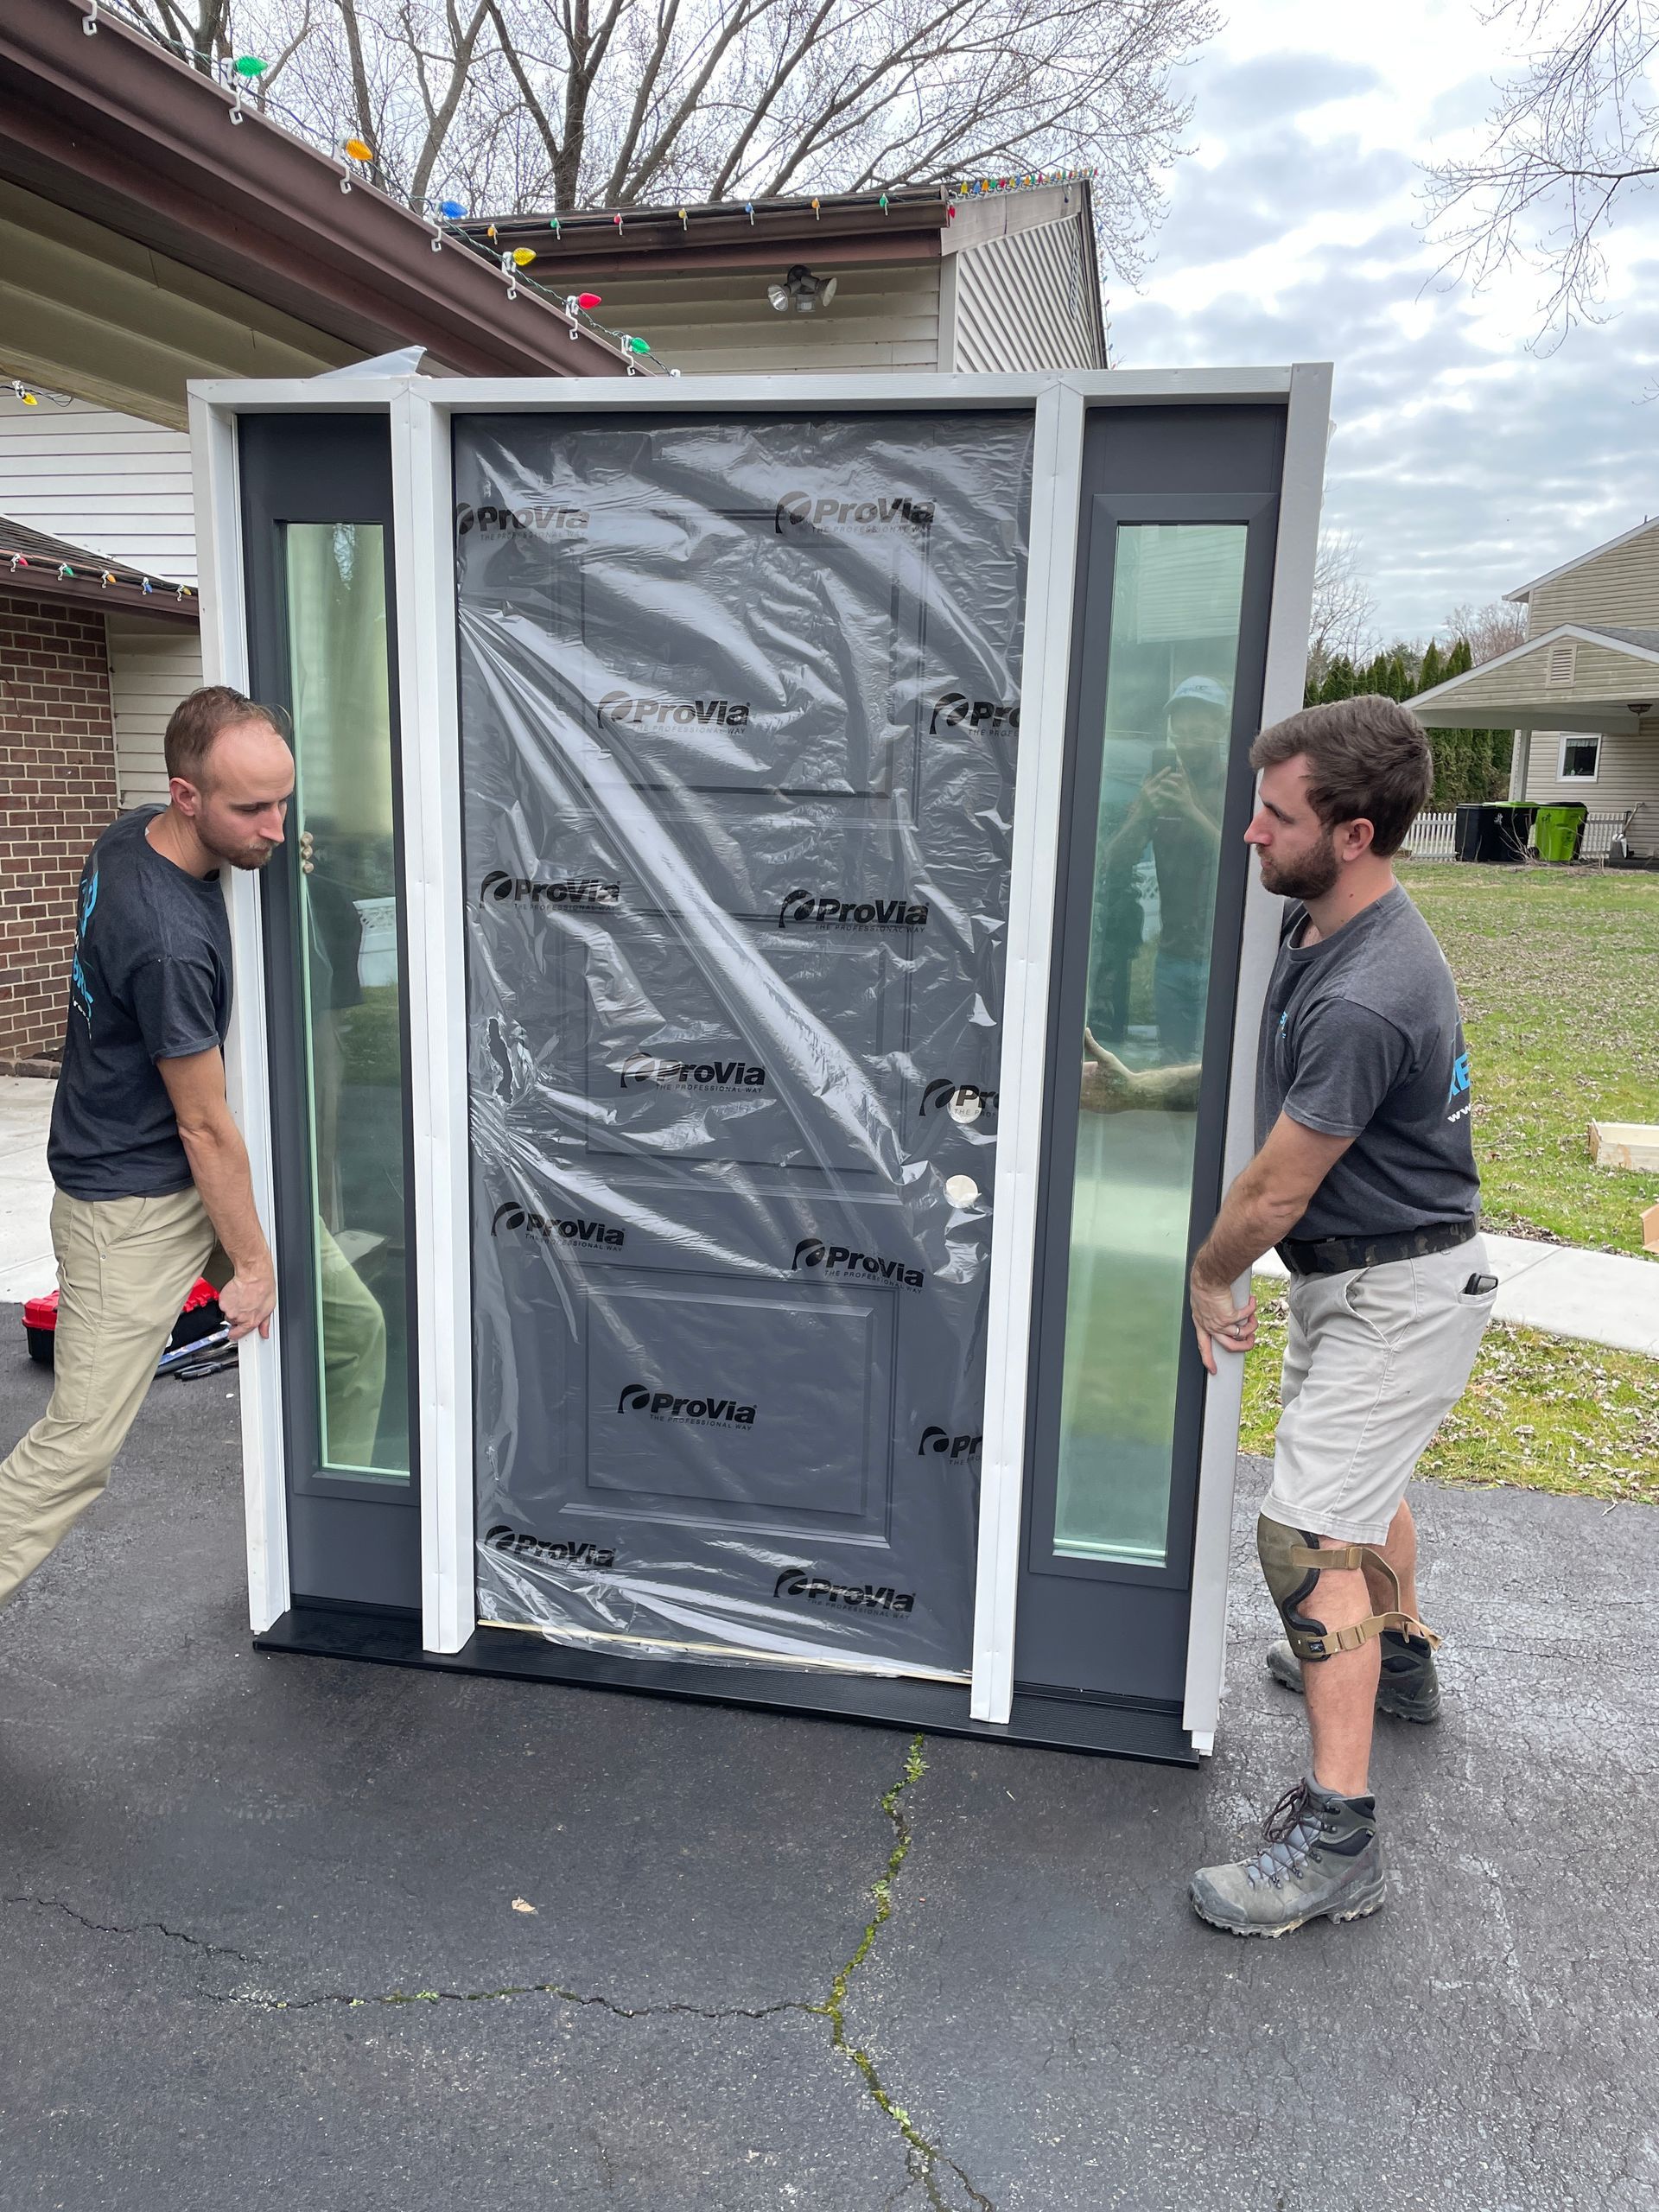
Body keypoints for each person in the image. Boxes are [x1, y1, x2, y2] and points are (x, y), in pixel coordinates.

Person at [1177, 695, 1496, 1938]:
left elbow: (1273, 1191)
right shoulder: (1325, 926)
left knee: (1307, 1542)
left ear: (1353, 834)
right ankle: (1399, 1658)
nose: (1251, 832)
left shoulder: (1369, 990)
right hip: (1373, 1274)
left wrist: (1211, 1275)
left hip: (1392, 1289)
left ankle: (1339, 1832)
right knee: (1362, 1483)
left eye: (1277, 814)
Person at [0, 687, 294, 1608]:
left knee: (347, 1327)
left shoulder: (131, 834)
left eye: (284, 800)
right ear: (187, 795)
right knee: (78, 1448)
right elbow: (202, 1125)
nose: (276, 829)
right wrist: (248, 1264)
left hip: (176, 1170)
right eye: (252, 809)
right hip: (127, 1202)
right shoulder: (168, 942)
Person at [1095, 676, 1230, 1060]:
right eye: (1182, 721)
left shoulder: (1237, 787)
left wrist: (1190, 809)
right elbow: (1112, 863)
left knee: (1218, 1071)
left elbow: (1246, 866)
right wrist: (1143, 815)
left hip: (1225, 957)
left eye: (1201, 720)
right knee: (1173, 1067)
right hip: (1171, 958)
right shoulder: (1156, 788)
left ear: (1221, 726)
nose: (1190, 730)